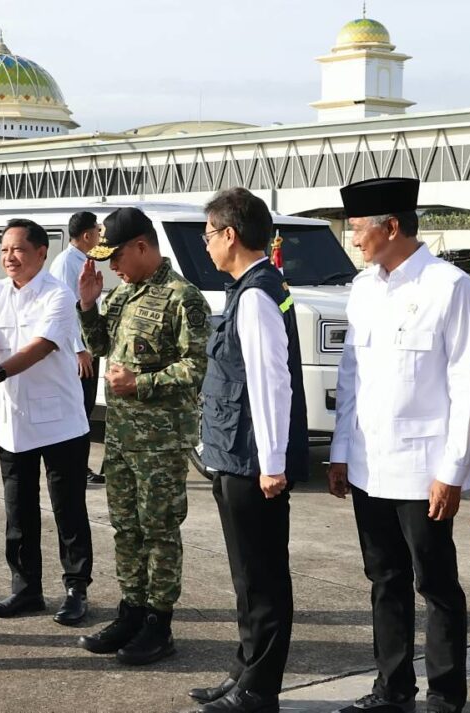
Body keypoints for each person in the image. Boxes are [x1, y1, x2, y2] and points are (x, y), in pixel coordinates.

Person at [328, 178, 470, 713]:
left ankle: (445, 693)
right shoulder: (364, 287)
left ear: (391, 227)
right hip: (370, 463)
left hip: (422, 468)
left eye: (359, 231)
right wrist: (341, 449)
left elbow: (465, 384)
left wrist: (453, 470)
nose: (355, 242)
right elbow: (351, 375)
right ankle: (392, 688)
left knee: (436, 584)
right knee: (384, 579)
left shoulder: (448, 285)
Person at [187, 189, 309, 713]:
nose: (207, 244)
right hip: (231, 454)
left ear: (230, 235)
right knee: (246, 576)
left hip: (250, 461)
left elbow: (270, 383)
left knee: (261, 580)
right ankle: (242, 673)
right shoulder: (249, 288)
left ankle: (259, 691)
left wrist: (272, 464)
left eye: (210, 234)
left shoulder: (257, 294)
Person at [75, 207, 211, 665]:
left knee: (159, 531)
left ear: (141, 246)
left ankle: (159, 622)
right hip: (121, 438)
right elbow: (98, 348)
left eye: (116, 257)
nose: (111, 266)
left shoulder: (182, 298)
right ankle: (131, 610)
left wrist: (142, 383)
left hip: (161, 442)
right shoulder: (123, 294)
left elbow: (196, 368)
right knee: (126, 528)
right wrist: (90, 305)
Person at [0, 218, 95, 627]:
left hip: (60, 422)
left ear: (41, 252)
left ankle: (76, 589)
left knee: (68, 509)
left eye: (17, 250)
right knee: (18, 511)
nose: (9, 258)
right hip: (14, 422)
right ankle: (26, 588)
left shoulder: (58, 295)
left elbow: (41, 347)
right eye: (3, 250)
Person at [49, 211, 105, 484]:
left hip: (88, 347)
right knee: (77, 408)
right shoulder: (67, 263)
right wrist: (79, 349)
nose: (99, 235)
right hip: (77, 351)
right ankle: (75, 468)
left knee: (85, 406)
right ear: (86, 235)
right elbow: (64, 310)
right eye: (97, 230)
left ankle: (78, 467)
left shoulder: (82, 260)